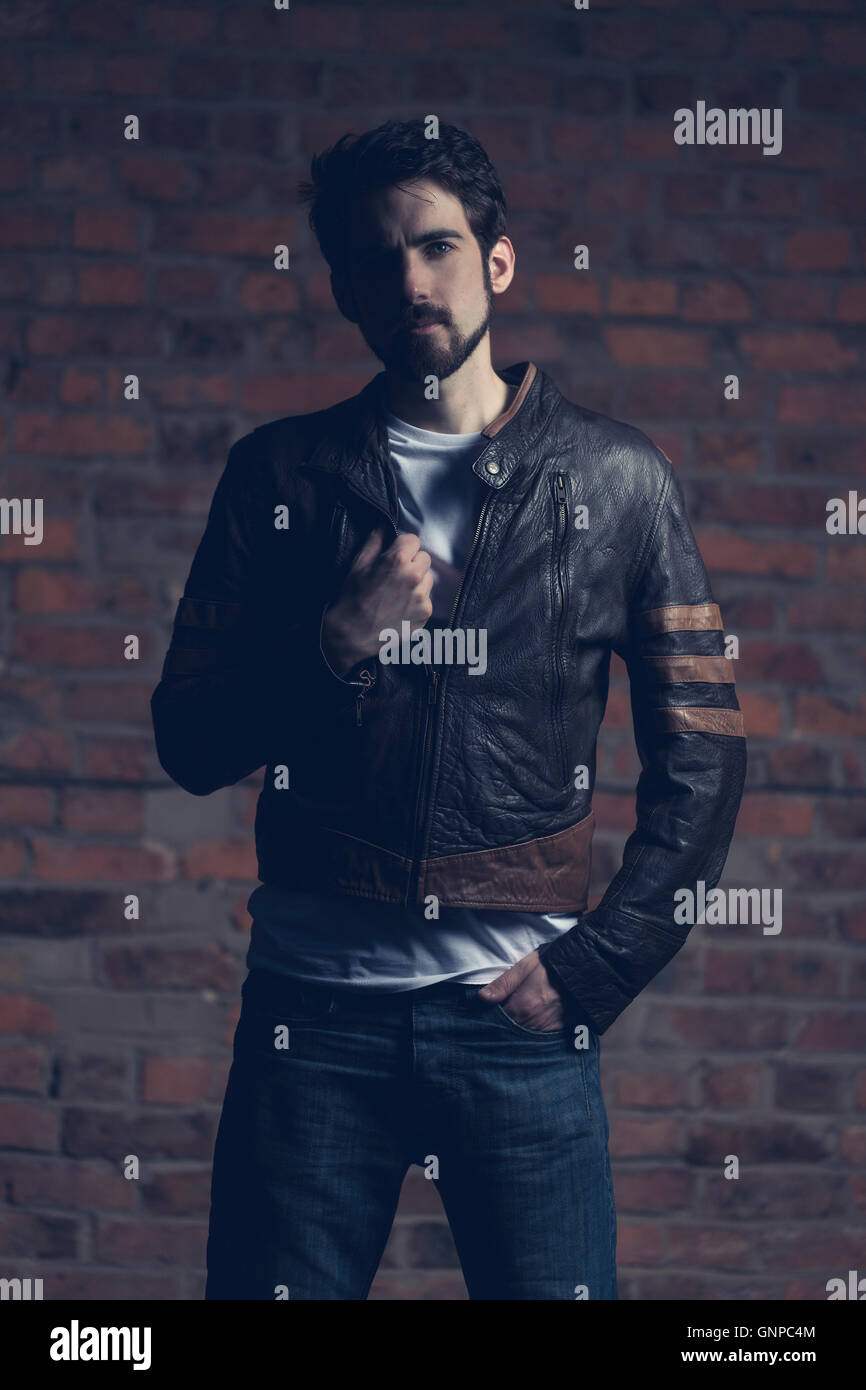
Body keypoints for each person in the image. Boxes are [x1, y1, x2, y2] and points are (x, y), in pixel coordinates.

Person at [150, 120, 747, 1300]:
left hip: (517, 1032)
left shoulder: (618, 481)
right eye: (378, 259)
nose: (410, 281)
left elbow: (705, 762)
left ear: (499, 261)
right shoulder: (280, 476)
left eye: (436, 245)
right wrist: (331, 643)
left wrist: (591, 972)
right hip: (308, 1024)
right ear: (342, 289)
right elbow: (189, 735)